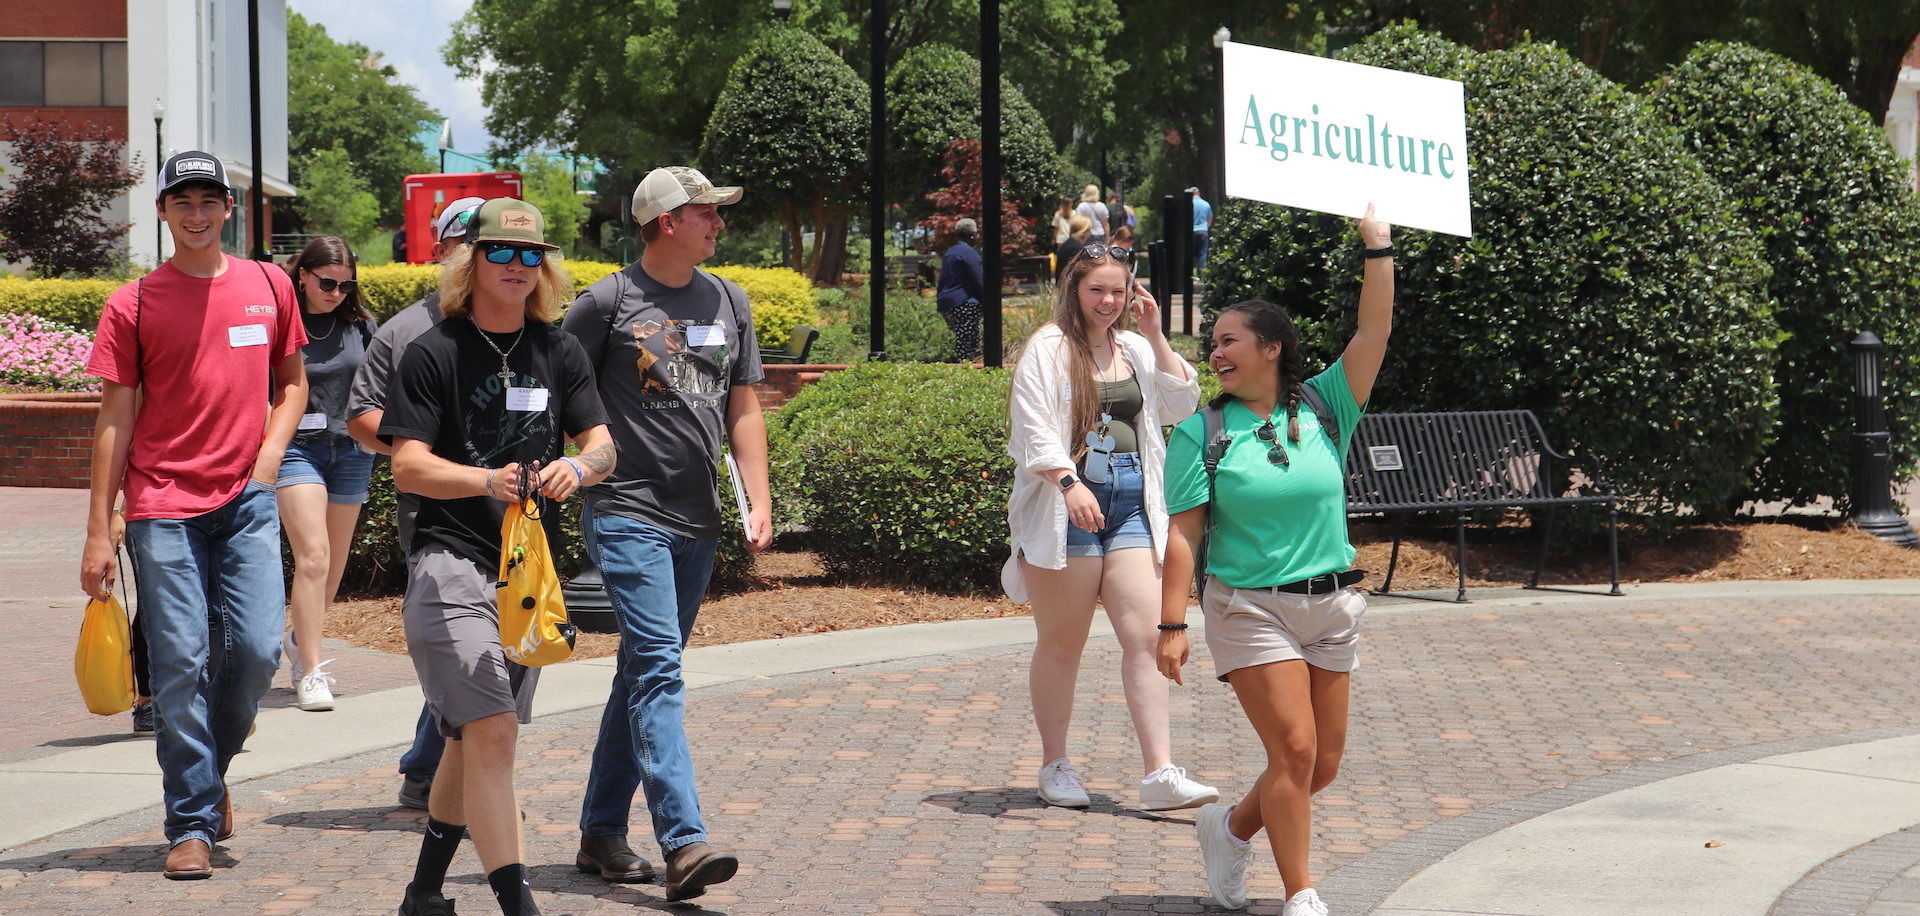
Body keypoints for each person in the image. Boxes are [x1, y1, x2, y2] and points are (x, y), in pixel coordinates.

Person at [380, 197, 615, 916]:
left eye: (530, 255)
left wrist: (581, 468)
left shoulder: (559, 350)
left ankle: (424, 894)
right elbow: (407, 467)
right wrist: (484, 479)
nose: (517, 267)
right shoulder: (434, 351)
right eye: (501, 253)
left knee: (468, 736)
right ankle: (519, 907)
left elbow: (603, 443)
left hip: (525, 572)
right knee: (494, 729)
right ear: (471, 260)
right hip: (450, 560)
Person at [1158, 205, 1393, 915]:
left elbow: (1374, 329)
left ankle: (1227, 829)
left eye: (1229, 340)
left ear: (1271, 348)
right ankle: (1302, 895)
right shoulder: (1201, 434)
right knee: (1293, 749)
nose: (1216, 353)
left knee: (1319, 765)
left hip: (1332, 605)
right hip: (1249, 605)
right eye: (1212, 344)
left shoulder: (1327, 405)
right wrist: (1172, 625)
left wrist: (1377, 246)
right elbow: (1183, 536)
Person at [79, 151, 308, 880]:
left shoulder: (270, 284)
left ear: (229, 209)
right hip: (161, 505)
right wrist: (96, 529)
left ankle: (207, 778)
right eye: (184, 202)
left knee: (255, 652)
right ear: (163, 212)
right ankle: (190, 824)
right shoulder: (135, 303)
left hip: (247, 500)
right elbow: (114, 419)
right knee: (179, 663)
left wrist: (268, 461)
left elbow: (292, 384)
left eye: (211, 200)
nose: (198, 213)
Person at [561, 165, 772, 903]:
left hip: (698, 518)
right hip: (624, 509)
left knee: (640, 675)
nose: (719, 222)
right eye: (705, 211)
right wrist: (574, 468)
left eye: (718, 210)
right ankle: (684, 843)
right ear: (666, 222)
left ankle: (598, 832)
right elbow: (564, 396)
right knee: (658, 671)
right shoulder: (606, 303)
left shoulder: (728, 299)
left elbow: (743, 405)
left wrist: (758, 496)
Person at [1003, 242, 1216, 813]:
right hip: (1063, 510)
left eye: (1118, 290)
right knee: (1062, 644)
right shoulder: (1048, 349)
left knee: (1147, 638)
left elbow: (1181, 405)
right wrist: (1069, 485)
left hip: (1131, 508)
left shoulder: (1134, 347)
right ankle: (1055, 764)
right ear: (1074, 288)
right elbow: (1034, 432)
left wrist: (1157, 331)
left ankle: (1160, 773)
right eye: (1097, 289)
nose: (1108, 300)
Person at [348, 196, 486, 810]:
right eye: (468, 242)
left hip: (517, 518)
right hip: (436, 517)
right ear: (441, 250)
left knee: (498, 648)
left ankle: (435, 768)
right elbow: (360, 417)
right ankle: (442, 776)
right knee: (461, 645)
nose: (480, 256)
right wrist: (426, 448)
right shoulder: (406, 331)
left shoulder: (526, 325)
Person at [277, 236, 378, 712]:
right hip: (298, 451)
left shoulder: (361, 326)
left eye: (344, 284)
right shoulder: (282, 323)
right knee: (313, 558)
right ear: (303, 274)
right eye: (326, 282)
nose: (336, 292)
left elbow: (381, 386)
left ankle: (299, 640)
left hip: (353, 451)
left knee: (333, 570)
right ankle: (309, 671)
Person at [935, 217, 987, 364]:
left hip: (947, 304)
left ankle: (964, 367)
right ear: (972, 235)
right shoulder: (968, 253)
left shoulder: (950, 252)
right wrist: (988, 300)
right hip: (964, 302)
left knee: (964, 337)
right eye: (976, 234)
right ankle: (966, 370)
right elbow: (979, 280)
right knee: (968, 343)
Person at [1054, 214, 1090, 283]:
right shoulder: (1077, 248)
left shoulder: (1065, 244)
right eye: (1088, 230)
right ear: (1084, 230)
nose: (1090, 233)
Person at [1189, 186, 1215, 274]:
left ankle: (1188, 274)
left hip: (1190, 231)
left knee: (1189, 253)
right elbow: (1210, 219)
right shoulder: (1206, 204)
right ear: (1199, 193)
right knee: (1202, 253)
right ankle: (1201, 274)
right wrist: (1205, 227)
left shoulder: (1188, 204)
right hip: (1203, 231)